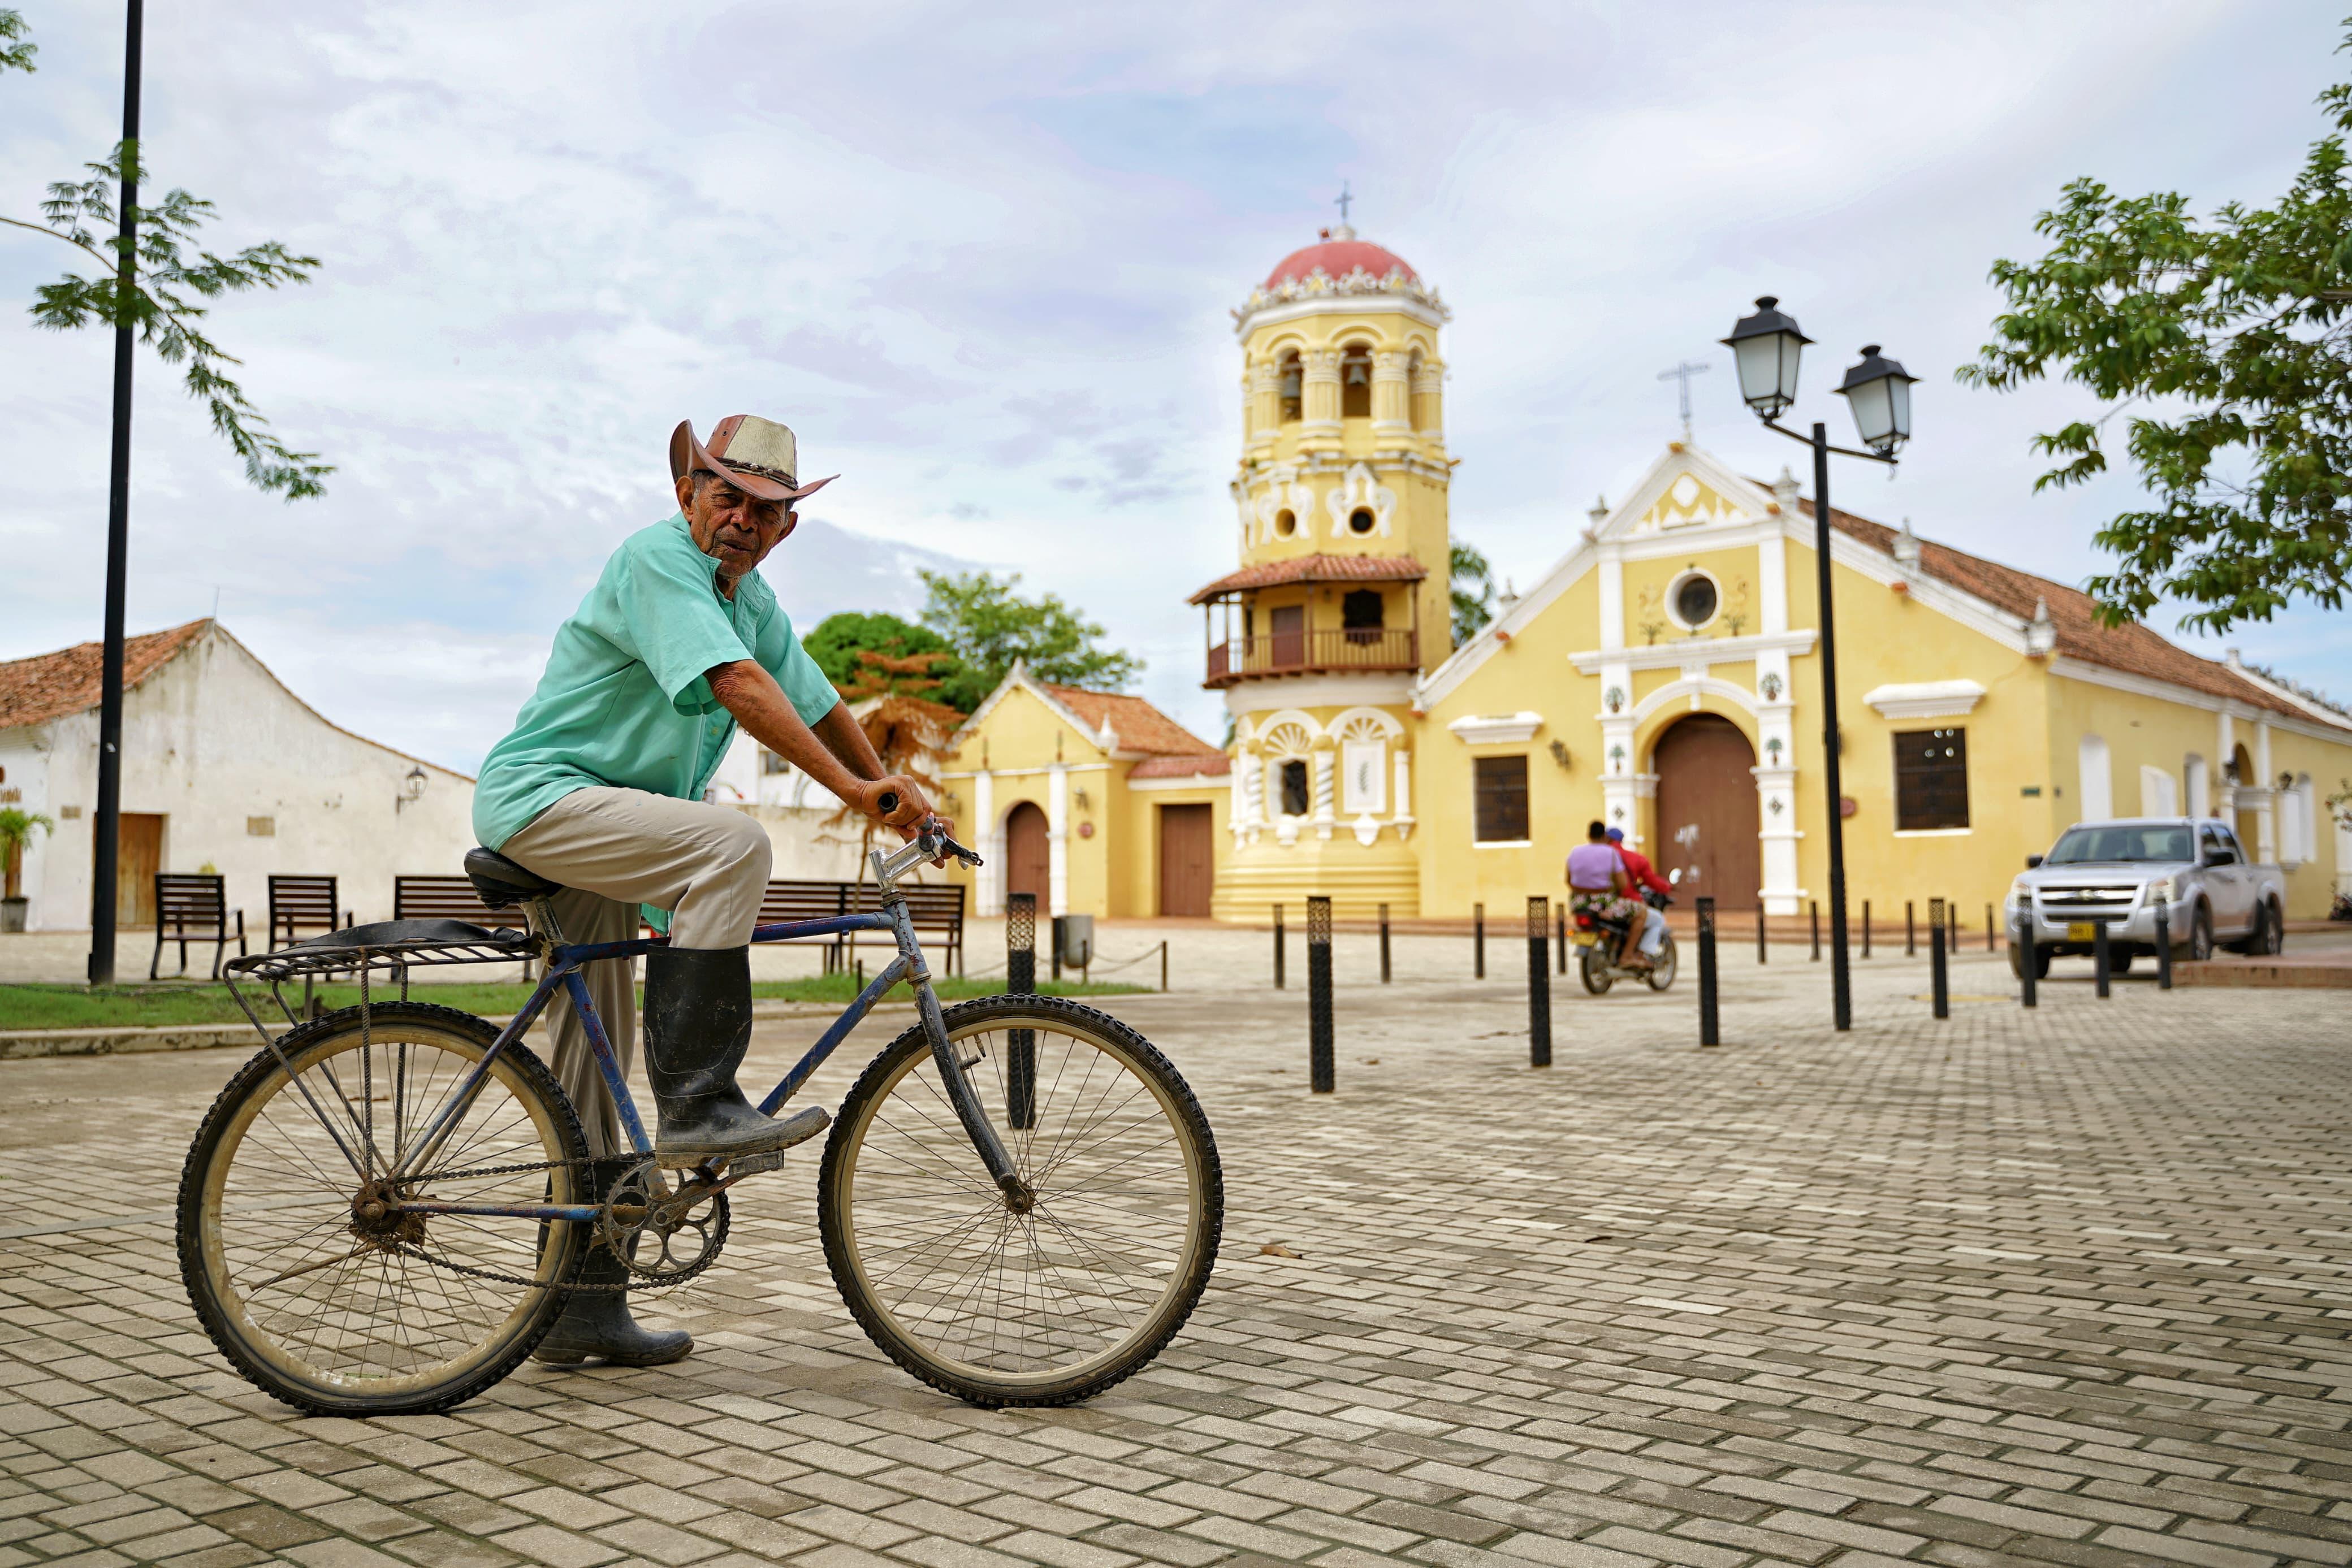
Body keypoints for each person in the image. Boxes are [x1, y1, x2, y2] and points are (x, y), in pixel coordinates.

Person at [472, 413, 941, 1367]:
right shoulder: (658, 560)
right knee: (733, 844)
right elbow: (735, 683)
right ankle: (699, 1101)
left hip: (608, 822)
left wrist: (893, 797)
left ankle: (578, 1307)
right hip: (544, 801)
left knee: (584, 1084)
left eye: (766, 508)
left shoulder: (751, 597)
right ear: (687, 491)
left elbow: (814, 698)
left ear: (787, 528)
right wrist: (851, 789)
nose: (742, 517)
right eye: (725, 493)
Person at [1565, 819, 1645, 969]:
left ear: (1588, 835)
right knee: (1641, 912)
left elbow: (1568, 880)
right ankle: (1627, 956)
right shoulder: (1610, 853)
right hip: (1603, 903)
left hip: (1578, 902)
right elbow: (1622, 883)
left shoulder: (1575, 852)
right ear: (1604, 837)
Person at [1606, 826, 1672, 963]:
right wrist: (1667, 887)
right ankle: (1637, 956)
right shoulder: (1635, 858)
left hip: (1598, 903)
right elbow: (1652, 881)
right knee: (1657, 919)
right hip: (1625, 902)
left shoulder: (1595, 857)